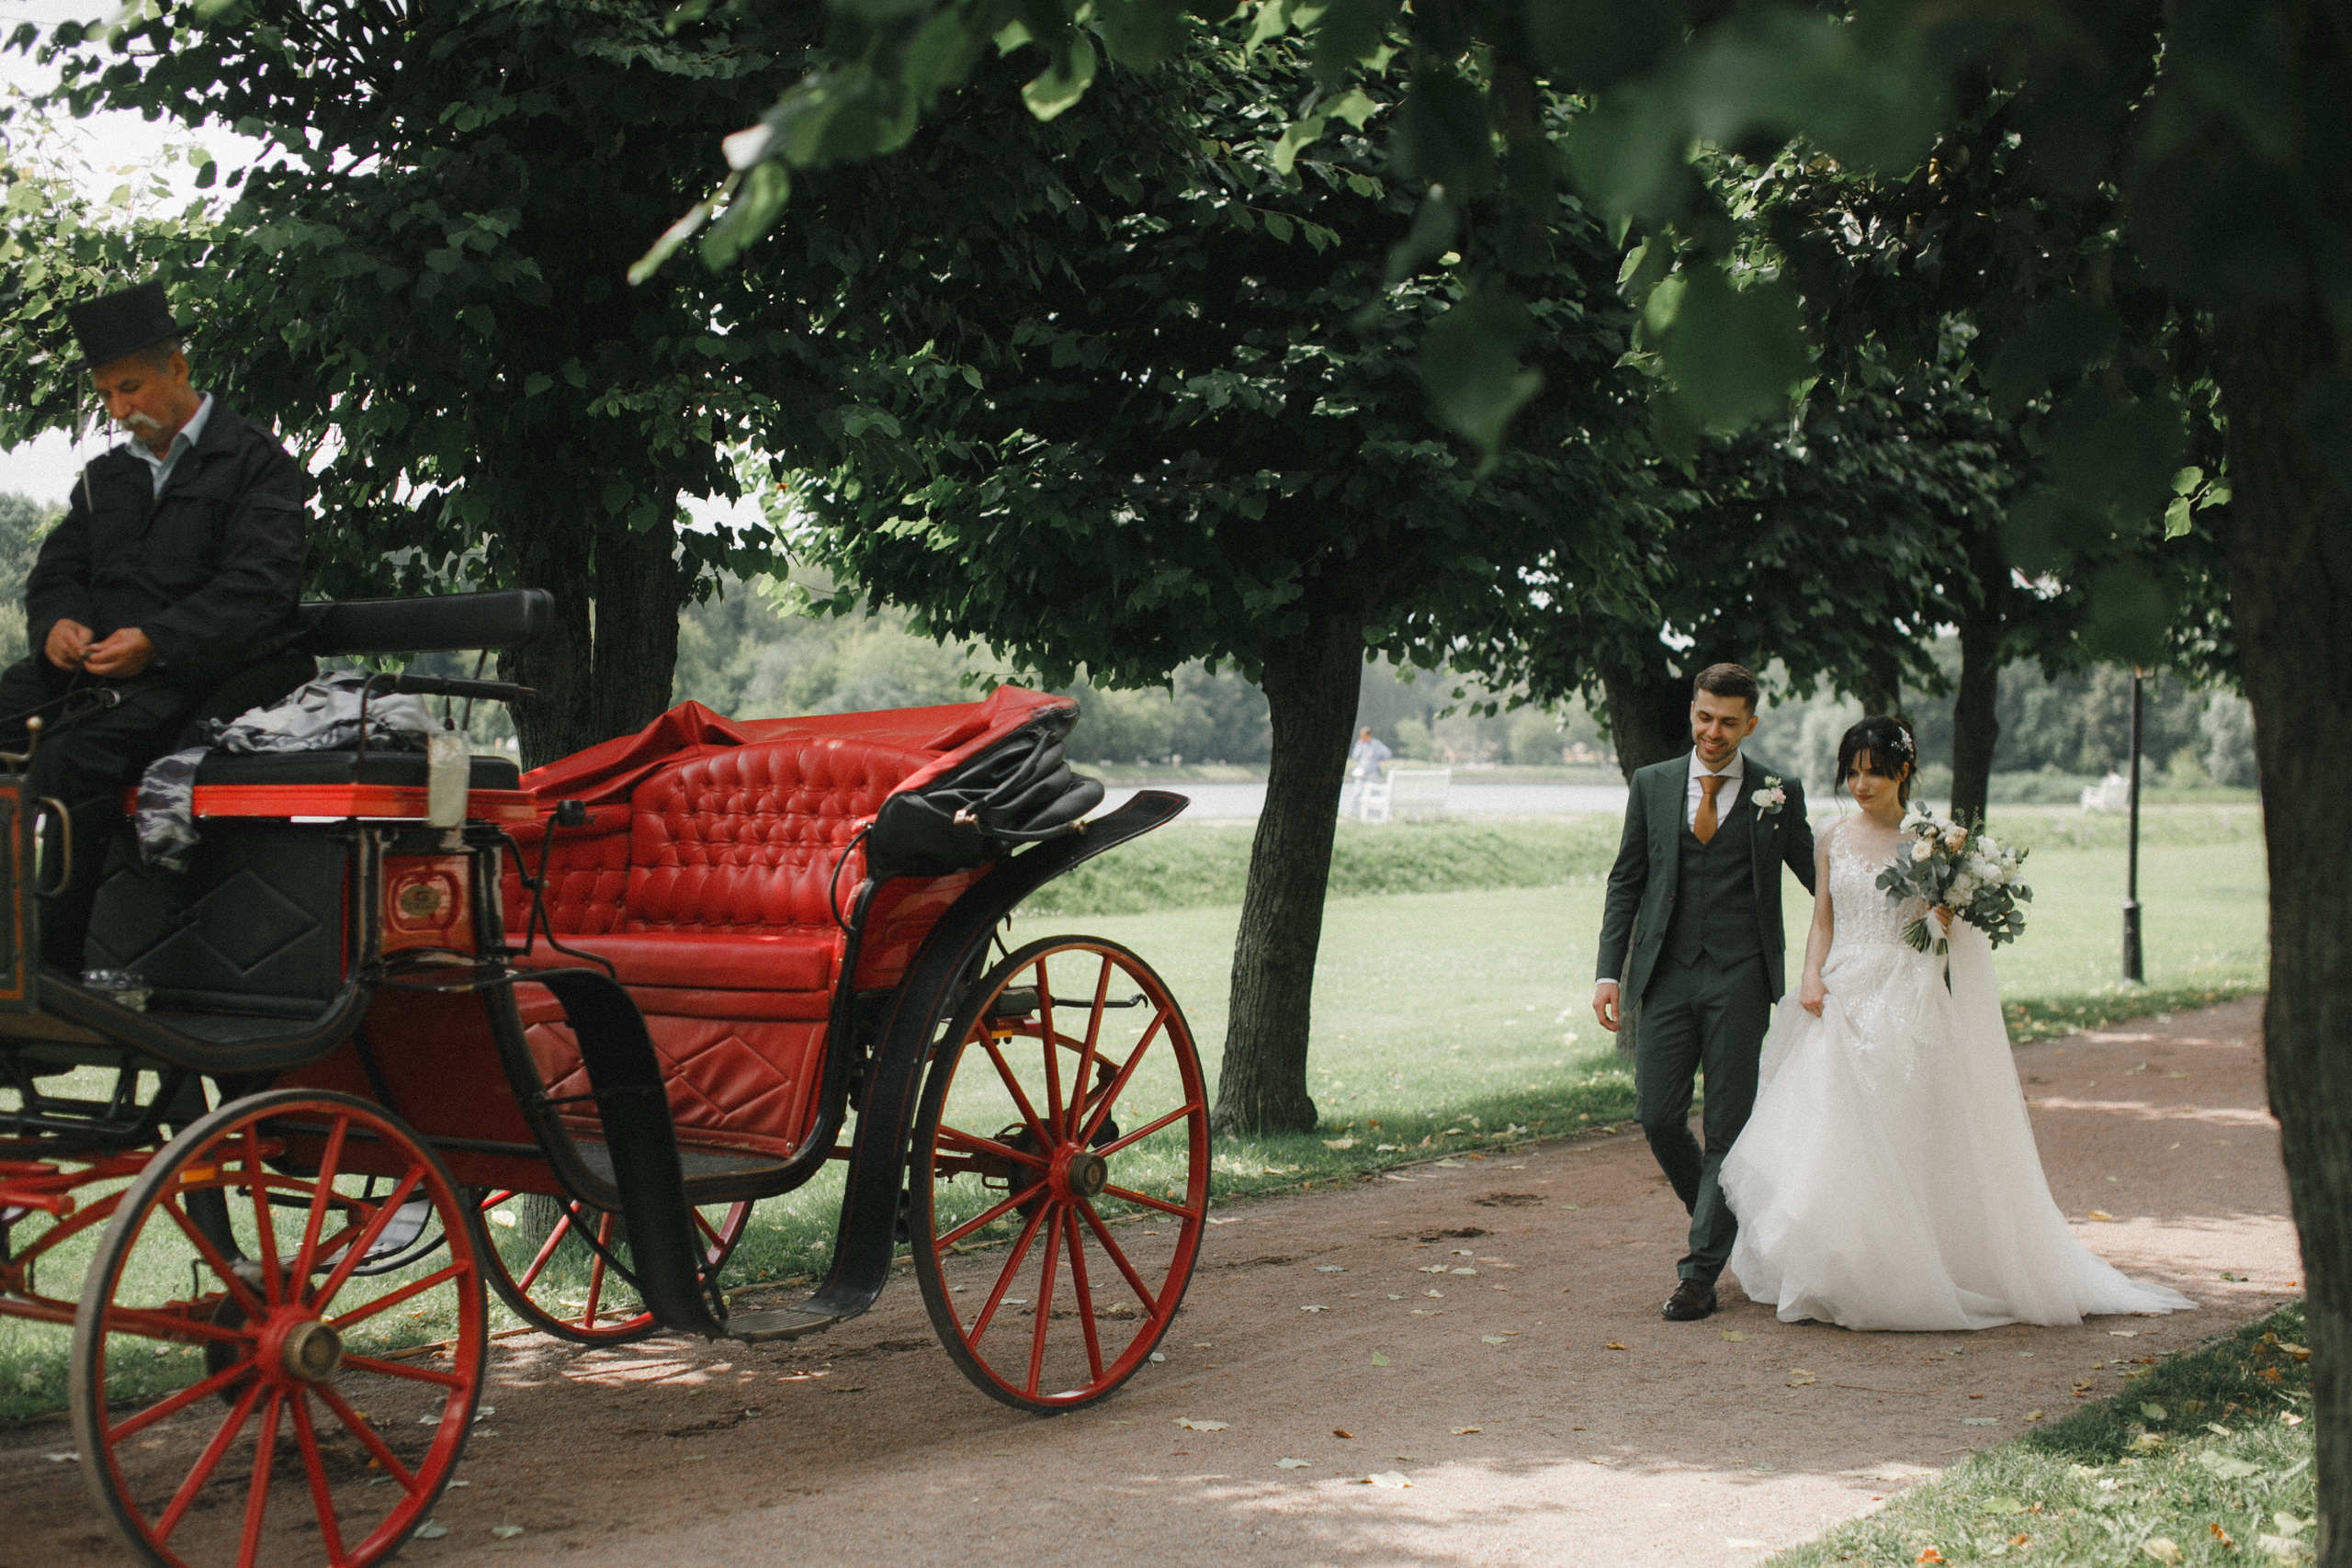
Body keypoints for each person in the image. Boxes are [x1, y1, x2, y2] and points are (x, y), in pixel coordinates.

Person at [1718, 716, 2194, 1330]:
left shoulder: (1937, 838)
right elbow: (1823, 918)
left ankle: (1912, 1269)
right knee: (1828, 1135)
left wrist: (1939, 923)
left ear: (1904, 771)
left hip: (1905, 992)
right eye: (1853, 771)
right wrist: (1811, 974)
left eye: (1875, 771)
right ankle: (1838, 1271)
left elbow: (1951, 930)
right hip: (1840, 991)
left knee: (1903, 1128)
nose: (1861, 783)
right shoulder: (1831, 834)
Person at [1, 279, 311, 972]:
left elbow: (260, 590)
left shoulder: (257, 463)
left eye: (130, 388)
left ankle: (47, 978)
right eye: (108, 396)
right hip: (84, 671)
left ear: (178, 369)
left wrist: (156, 642)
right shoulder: (102, 478)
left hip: (189, 677)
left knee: (69, 762)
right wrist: (59, 622)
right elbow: (57, 573)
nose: (120, 410)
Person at [1592, 663, 1815, 1322]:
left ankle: (1699, 1272)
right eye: (1703, 717)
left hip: (1742, 976)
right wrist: (1609, 971)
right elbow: (1626, 880)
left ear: (1750, 723)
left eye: (1727, 721)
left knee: (1727, 1123)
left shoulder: (1778, 790)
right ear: (1692, 711)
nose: (1712, 732)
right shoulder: (1653, 783)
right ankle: (1726, 1218)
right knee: (1657, 1115)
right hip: (1666, 972)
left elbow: (1816, 872)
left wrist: (1889, 908)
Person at [1340, 725, 1391, 817]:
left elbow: (1387, 753)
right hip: (1361, 772)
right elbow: (1355, 756)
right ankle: (1354, 813)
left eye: (1363, 735)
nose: (1362, 737)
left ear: (1368, 735)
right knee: (1358, 792)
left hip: (1372, 772)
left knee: (1375, 792)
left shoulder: (1376, 744)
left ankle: (1375, 814)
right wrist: (1359, 747)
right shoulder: (1360, 744)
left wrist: (1381, 762)